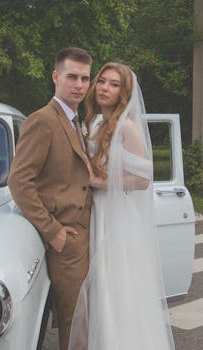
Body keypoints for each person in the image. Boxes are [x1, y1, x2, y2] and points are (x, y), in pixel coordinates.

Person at [68, 63, 175, 350]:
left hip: (116, 218)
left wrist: (97, 182)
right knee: (96, 291)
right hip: (94, 214)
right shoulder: (93, 123)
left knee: (114, 289)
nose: (104, 88)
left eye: (114, 84)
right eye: (102, 81)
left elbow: (142, 180)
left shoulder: (127, 128)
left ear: (124, 93)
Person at [8, 47, 93, 350]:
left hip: (86, 236)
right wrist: (53, 231)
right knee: (72, 322)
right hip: (66, 240)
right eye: (72, 77)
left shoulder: (75, 120)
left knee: (83, 320)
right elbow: (19, 181)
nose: (79, 85)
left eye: (85, 78)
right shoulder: (43, 120)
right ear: (56, 76)